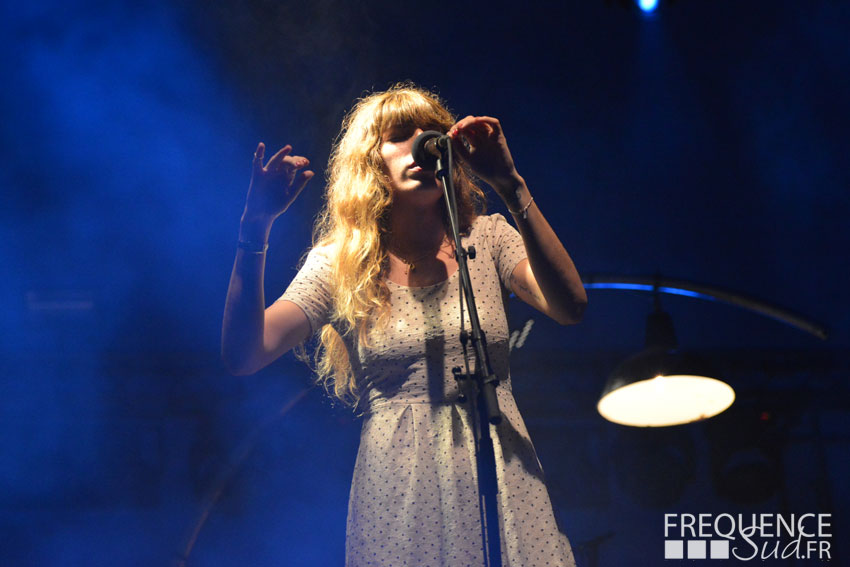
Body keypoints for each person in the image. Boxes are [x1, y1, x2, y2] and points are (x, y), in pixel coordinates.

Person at [221, 84, 587, 566]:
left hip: (500, 473)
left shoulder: (490, 236)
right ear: (372, 161)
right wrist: (255, 229)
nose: (421, 144)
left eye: (432, 134)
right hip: (400, 488)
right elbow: (244, 354)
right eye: (400, 135)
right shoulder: (341, 263)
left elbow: (570, 305)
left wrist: (512, 185)